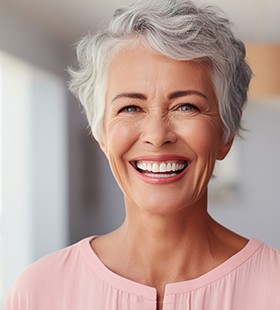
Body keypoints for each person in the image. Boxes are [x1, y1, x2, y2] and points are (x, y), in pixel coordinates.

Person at [7, 0, 280, 309]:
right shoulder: (39, 292)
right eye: (131, 108)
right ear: (102, 134)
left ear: (226, 134)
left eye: (186, 106)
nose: (157, 135)